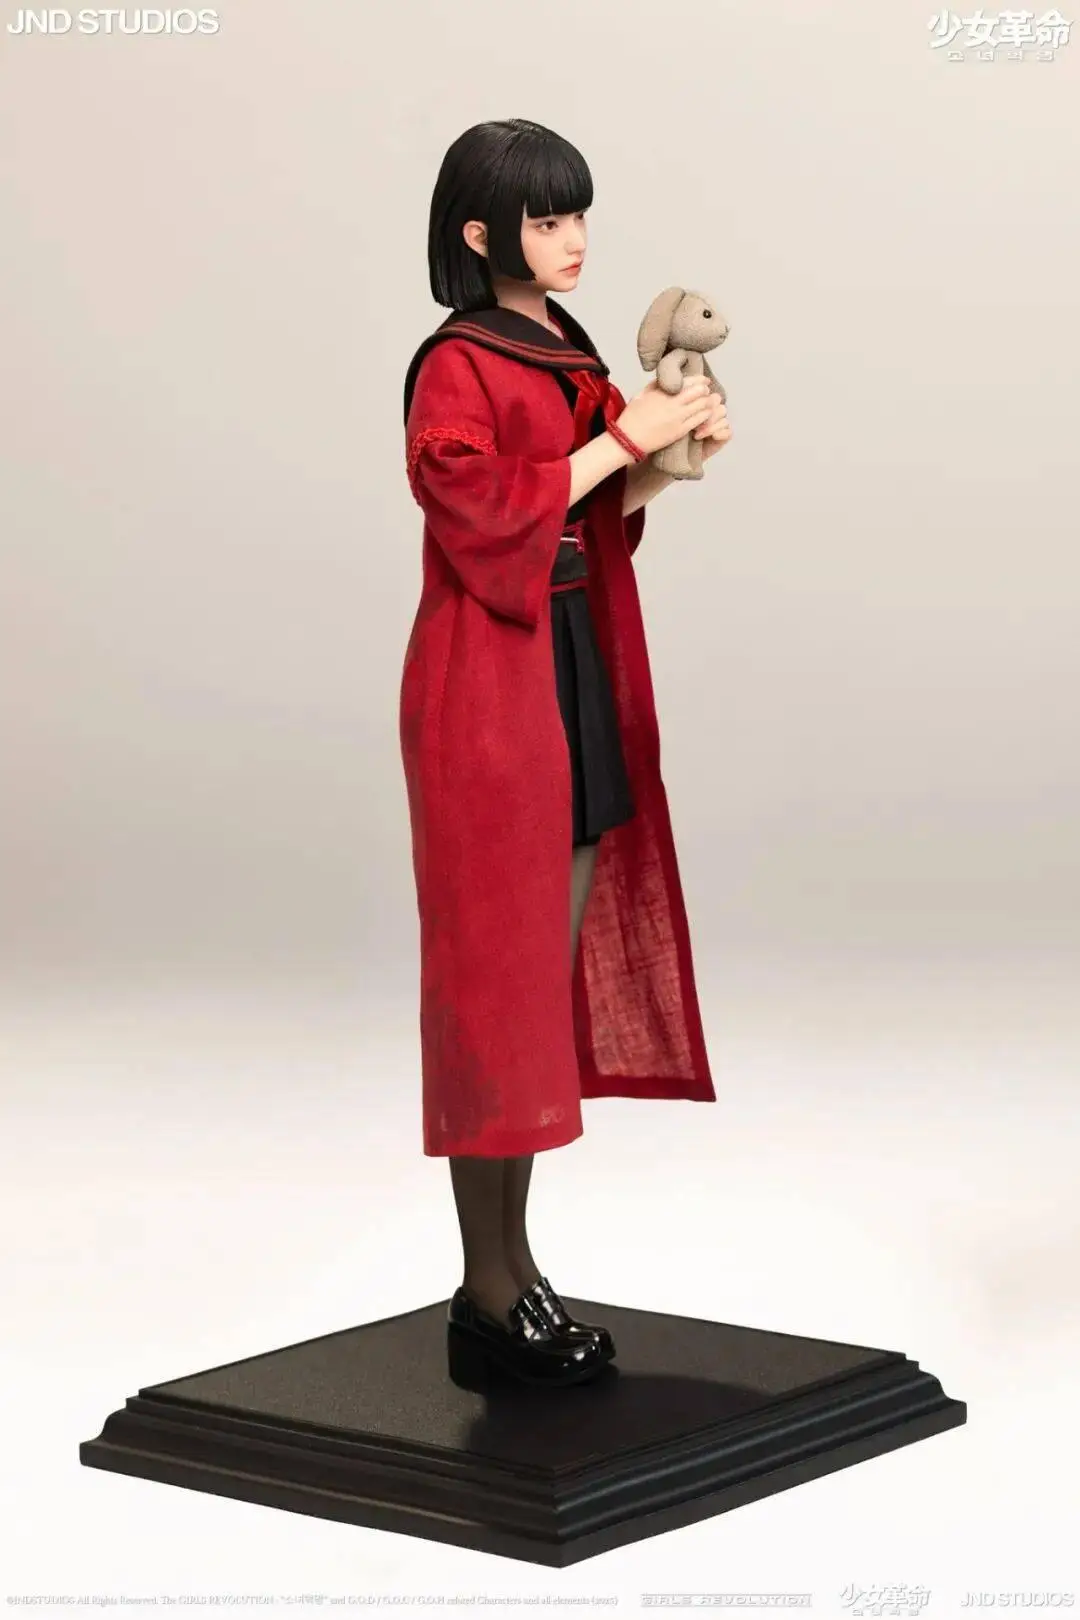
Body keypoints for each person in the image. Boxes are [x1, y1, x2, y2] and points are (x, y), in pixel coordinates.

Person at [400, 118, 733, 1391]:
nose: (574, 239)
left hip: (571, 657)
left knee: (532, 987)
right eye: (547, 220)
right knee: (498, 990)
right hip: (490, 687)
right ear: (482, 233)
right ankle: (491, 1288)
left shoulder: (566, 346)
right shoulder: (455, 362)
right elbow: (483, 513)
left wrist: (670, 462)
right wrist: (625, 440)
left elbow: (586, 515)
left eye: (578, 215)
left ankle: (510, 1276)